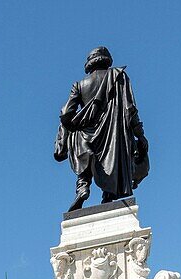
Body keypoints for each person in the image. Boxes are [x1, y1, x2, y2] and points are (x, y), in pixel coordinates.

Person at [54, 46, 149, 211]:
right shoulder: (119, 77)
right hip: (112, 135)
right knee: (112, 155)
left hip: (85, 137)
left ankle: (82, 186)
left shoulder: (79, 85)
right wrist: (140, 135)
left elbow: (66, 113)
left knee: (79, 139)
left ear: (89, 63)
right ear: (107, 60)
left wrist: (73, 124)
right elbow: (130, 109)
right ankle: (108, 195)